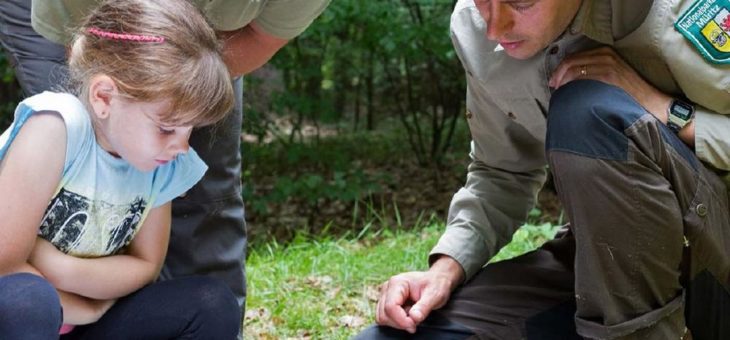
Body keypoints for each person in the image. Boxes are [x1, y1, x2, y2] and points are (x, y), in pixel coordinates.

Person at [357, 0, 730, 339]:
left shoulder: (679, 8)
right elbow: (502, 171)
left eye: (520, 2)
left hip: (715, 258)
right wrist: (446, 267)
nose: (495, 29)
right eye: (483, 0)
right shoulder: (475, 30)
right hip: (609, 266)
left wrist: (664, 108)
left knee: (588, 112)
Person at [0, 0, 331, 319]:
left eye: (189, 130)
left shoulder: (157, 159)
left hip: (81, 307)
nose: (183, 147)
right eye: (167, 129)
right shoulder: (53, 126)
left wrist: (73, 284)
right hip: (27, 307)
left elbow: (146, 265)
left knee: (211, 303)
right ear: (103, 97)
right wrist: (77, 308)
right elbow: (6, 267)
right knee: (29, 302)